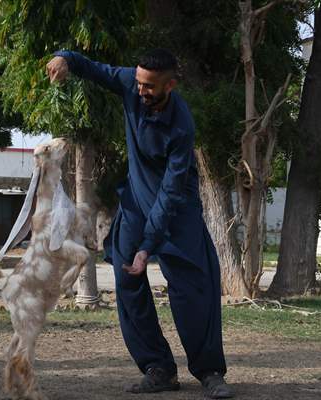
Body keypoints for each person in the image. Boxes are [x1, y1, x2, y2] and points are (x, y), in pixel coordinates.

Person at [46, 49, 234, 399]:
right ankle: (157, 367)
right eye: (138, 83)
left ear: (170, 85)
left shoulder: (181, 125)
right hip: (135, 204)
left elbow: (170, 190)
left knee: (194, 289)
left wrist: (148, 245)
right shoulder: (130, 85)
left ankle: (209, 371)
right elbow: (92, 68)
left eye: (149, 86)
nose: (141, 90)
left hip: (176, 208)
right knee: (126, 277)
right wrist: (65, 59)